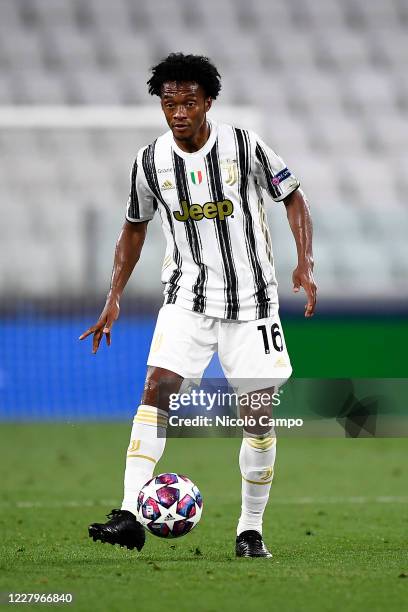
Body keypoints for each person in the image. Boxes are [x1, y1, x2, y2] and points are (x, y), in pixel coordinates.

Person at [80, 53, 317, 558]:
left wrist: (305, 264)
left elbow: (293, 195)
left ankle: (249, 529)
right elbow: (133, 226)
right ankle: (128, 514)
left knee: (257, 418)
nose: (179, 112)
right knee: (155, 391)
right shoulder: (150, 162)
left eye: (189, 102)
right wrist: (114, 295)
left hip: (252, 302)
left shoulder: (242, 145)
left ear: (208, 102)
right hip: (186, 296)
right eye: (170, 103)